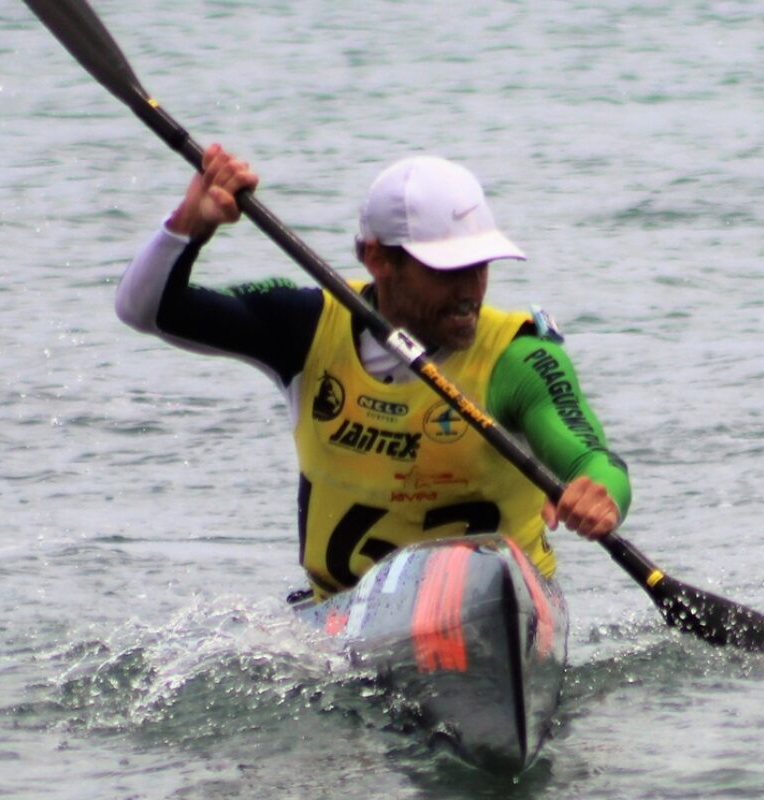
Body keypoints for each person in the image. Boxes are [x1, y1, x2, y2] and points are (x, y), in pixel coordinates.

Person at [115, 144, 630, 598]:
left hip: (500, 611)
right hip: (339, 622)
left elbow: (593, 458)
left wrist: (597, 493)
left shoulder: (518, 358)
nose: (471, 289)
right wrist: (193, 221)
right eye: (448, 270)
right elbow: (144, 309)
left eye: (481, 264)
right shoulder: (305, 329)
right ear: (376, 258)